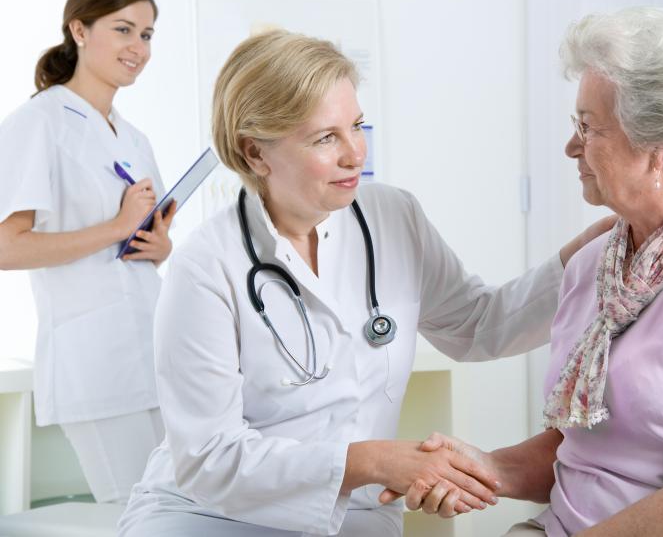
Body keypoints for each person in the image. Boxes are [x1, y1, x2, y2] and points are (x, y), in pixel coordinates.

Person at [117, 29, 613, 536]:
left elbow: (477, 325)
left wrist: (590, 253)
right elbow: (209, 459)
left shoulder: (392, 216)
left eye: (356, 125)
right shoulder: (206, 265)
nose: (355, 153)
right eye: (325, 137)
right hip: (206, 512)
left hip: (356, 513)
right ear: (255, 154)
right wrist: (371, 460)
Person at [401, 6, 663, 536]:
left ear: (657, 149)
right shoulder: (594, 264)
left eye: (588, 126)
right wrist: (486, 469)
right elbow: (585, 451)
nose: (571, 146)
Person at [0, 0, 175, 504]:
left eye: (146, 35)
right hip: (93, 361)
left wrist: (158, 245)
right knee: (140, 513)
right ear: (79, 31)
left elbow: (144, 236)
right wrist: (115, 227)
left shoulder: (133, 136)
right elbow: (7, 247)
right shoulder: (38, 123)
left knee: (186, 511)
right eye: (122, 30)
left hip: (154, 350)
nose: (138, 47)